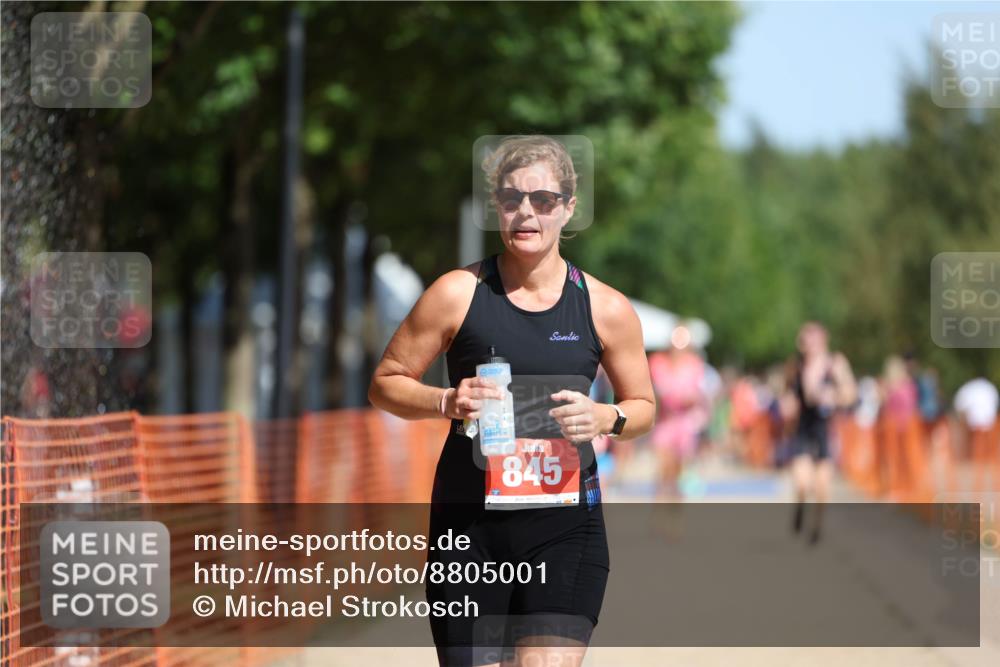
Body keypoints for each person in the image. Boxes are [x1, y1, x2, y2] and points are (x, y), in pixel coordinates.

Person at [368, 135, 655, 667]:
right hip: (468, 531)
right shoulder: (457, 293)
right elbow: (386, 381)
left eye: (543, 200)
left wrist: (605, 416)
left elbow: (643, 406)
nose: (526, 212)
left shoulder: (605, 308)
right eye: (511, 199)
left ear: (568, 207)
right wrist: (444, 401)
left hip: (564, 530)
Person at [784, 322, 857, 544]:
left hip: (825, 430)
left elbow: (850, 394)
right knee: (802, 482)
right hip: (802, 429)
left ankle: (817, 527)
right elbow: (787, 397)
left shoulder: (835, 363)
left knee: (822, 486)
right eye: (805, 341)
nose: (809, 346)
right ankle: (799, 507)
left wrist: (833, 396)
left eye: (813, 340)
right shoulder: (796, 366)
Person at [647, 327, 708, 500]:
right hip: (665, 422)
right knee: (663, 469)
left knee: (679, 472)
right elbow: (660, 393)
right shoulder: (658, 362)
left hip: (684, 423)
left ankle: (673, 513)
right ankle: (661, 509)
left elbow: (695, 395)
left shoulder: (694, 365)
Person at [953, 377, 999, 492]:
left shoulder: (970, 389)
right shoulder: (988, 388)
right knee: (983, 445)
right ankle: (982, 463)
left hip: (977, 421)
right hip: (986, 421)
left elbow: (961, 404)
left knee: (978, 445)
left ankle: (980, 462)